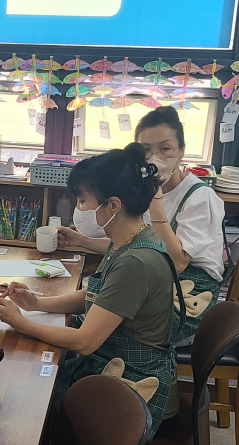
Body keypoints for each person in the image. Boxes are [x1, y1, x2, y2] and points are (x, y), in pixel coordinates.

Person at [0, 145, 182, 435]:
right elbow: (98, 297)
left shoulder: (135, 262)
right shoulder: (130, 238)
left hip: (131, 389)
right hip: (110, 363)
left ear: (113, 205)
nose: (80, 209)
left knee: (23, 404)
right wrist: (36, 302)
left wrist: (20, 322)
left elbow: (85, 341)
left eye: (83, 201)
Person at [58, 106, 225, 342]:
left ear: (181, 151)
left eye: (165, 149)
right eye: (146, 150)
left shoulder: (200, 197)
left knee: (98, 324)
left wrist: (156, 202)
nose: (155, 158)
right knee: (88, 309)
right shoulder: (138, 188)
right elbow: (134, 245)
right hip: (152, 281)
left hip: (188, 294)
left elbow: (176, 263)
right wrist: (82, 241)